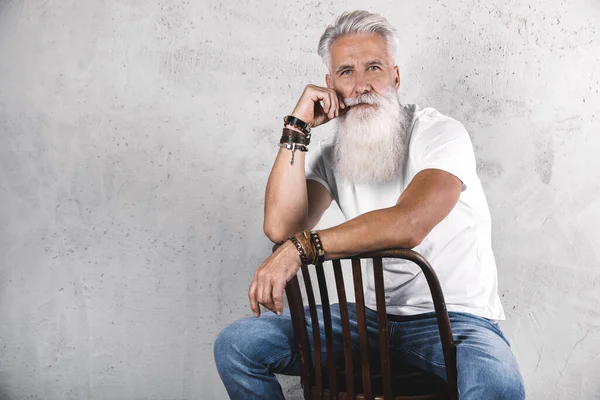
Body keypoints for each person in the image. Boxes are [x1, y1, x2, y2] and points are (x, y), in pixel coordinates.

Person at [214, 10, 525, 400]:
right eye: (345, 72)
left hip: (455, 319)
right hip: (367, 319)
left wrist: (302, 249)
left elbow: (408, 223)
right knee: (238, 345)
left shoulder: (440, 134)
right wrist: (297, 127)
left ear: (395, 76)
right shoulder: (332, 152)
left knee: (499, 386)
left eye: (373, 68)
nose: (361, 85)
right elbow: (280, 227)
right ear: (330, 86)